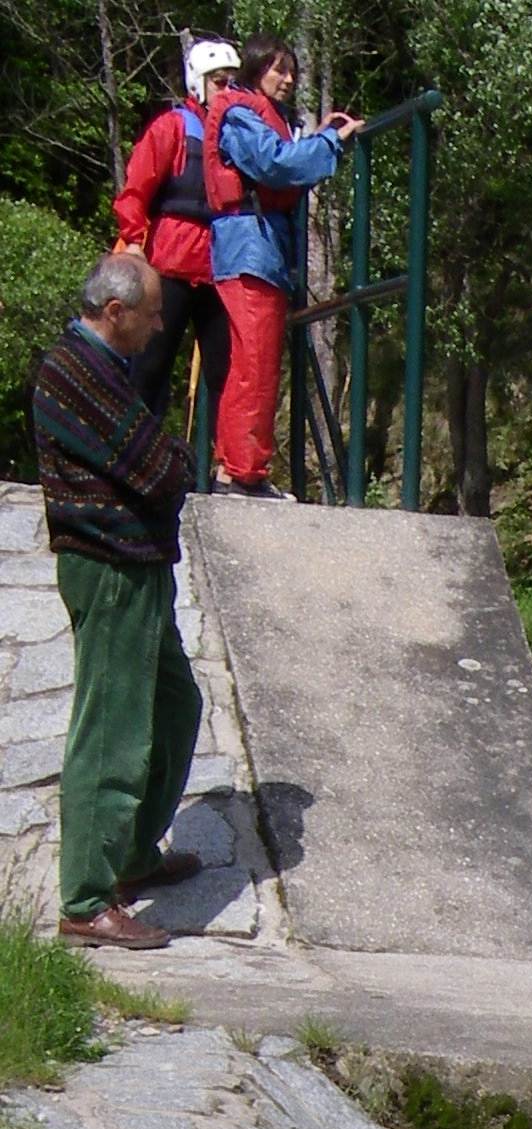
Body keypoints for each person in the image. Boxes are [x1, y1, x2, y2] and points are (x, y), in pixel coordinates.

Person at [31, 253, 202, 951]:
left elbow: (159, 464)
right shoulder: (72, 373)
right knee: (111, 734)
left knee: (176, 707)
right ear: (115, 312)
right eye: (153, 314)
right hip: (108, 569)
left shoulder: (107, 369)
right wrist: (176, 463)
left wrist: (172, 463)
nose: (161, 326)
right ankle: (86, 898)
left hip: (139, 566)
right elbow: (162, 470)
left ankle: (131, 851)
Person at [204, 33, 360, 497]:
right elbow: (274, 165)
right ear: (256, 70)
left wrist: (314, 139)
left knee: (252, 362)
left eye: (292, 71)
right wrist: (329, 142)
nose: (289, 79)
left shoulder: (256, 115)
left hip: (259, 249)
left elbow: (283, 156)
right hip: (249, 248)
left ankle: (235, 468)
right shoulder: (239, 114)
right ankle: (242, 472)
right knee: (255, 363)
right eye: (279, 69)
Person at [111, 36, 239, 437]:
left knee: (224, 373)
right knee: (150, 368)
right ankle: (132, 451)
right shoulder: (172, 128)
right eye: (220, 82)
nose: (228, 91)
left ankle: (225, 462)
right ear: (198, 83)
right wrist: (134, 242)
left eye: (232, 82)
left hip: (219, 269)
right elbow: (135, 192)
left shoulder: (236, 136)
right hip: (170, 267)